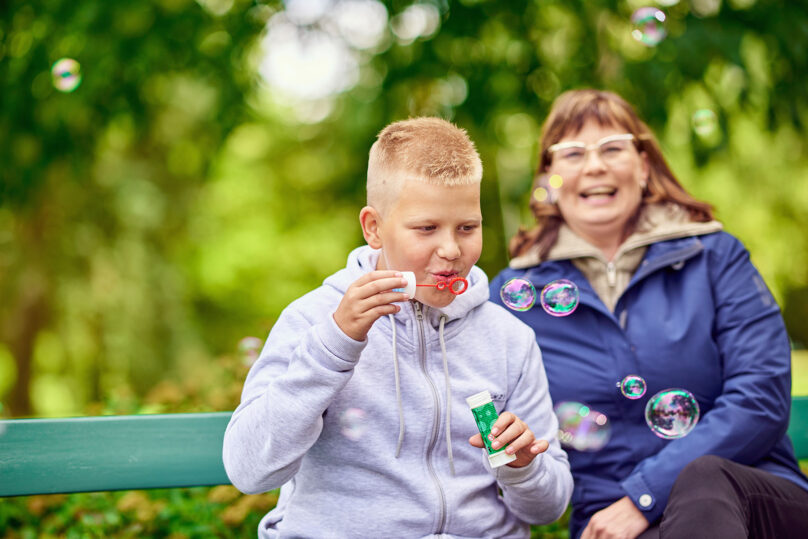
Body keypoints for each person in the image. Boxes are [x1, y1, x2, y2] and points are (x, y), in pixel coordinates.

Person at [223, 117, 573, 537]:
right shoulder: (315, 321)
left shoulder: (508, 339)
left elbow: (549, 508)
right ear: (374, 227)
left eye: (468, 227)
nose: (451, 249)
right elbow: (249, 470)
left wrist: (523, 466)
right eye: (426, 228)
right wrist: (334, 346)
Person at [490, 89, 808, 539]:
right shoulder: (509, 295)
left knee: (703, 478)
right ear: (550, 176)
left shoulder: (714, 256)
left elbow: (760, 396)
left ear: (642, 165)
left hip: (754, 501)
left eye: (613, 148)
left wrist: (644, 496)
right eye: (573, 153)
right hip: (610, 523)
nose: (595, 165)